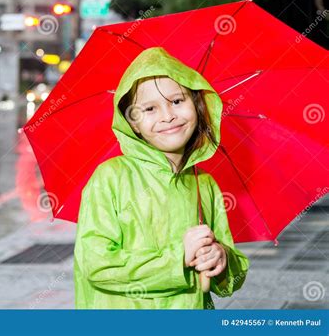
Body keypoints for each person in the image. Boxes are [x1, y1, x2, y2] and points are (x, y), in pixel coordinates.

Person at [73, 47, 249, 309]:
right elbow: (95, 263)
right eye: (149, 108)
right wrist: (178, 258)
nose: (168, 116)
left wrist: (221, 259)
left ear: (198, 106)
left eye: (177, 101)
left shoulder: (205, 185)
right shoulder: (111, 177)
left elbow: (229, 281)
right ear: (133, 123)